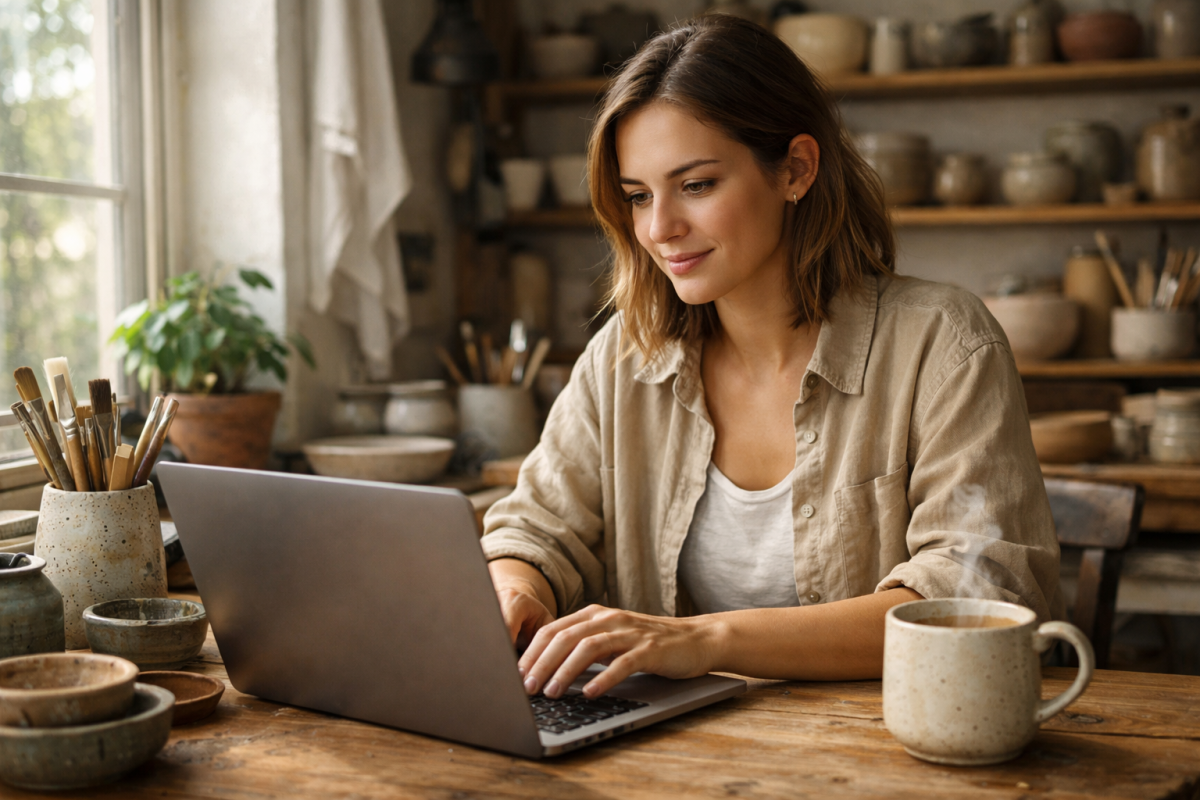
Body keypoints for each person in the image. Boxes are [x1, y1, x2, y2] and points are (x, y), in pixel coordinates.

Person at [481, 14, 1063, 702]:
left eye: (696, 185)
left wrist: (704, 641)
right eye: (638, 196)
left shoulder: (944, 344)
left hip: (878, 751)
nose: (659, 228)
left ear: (795, 169)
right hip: (675, 758)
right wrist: (516, 587)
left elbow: (976, 595)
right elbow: (535, 529)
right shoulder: (624, 358)